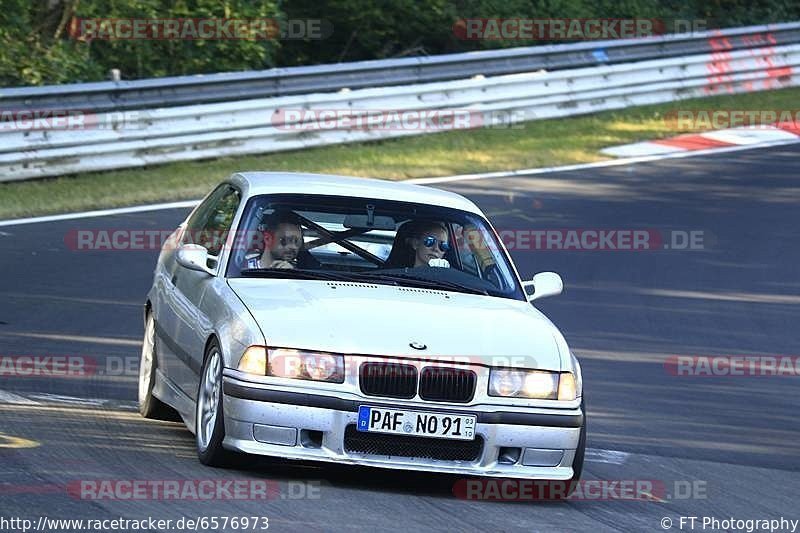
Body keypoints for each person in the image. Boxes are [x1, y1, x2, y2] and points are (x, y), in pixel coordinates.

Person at [385, 220, 451, 268]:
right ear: (415, 244)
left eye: (443, 246)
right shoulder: (396, 276)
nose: (436, 249)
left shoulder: (450, 282)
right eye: (430, 241)